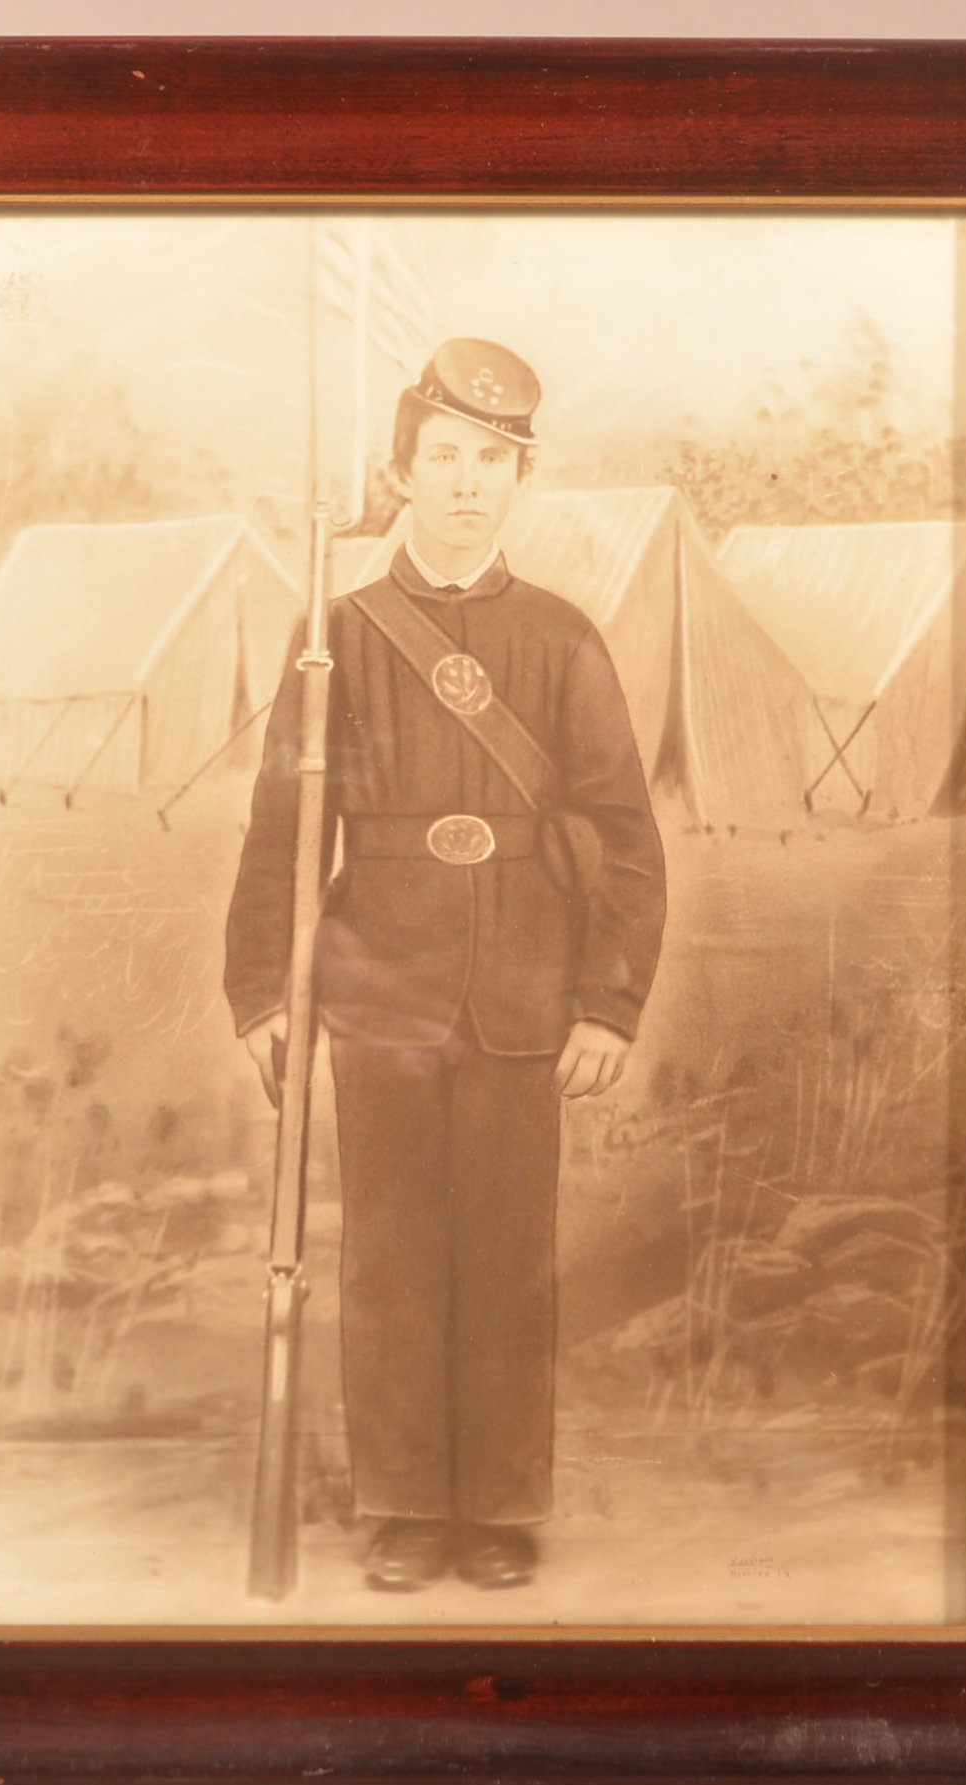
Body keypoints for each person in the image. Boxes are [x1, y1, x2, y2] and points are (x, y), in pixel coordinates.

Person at [225, 338, 665, 1591]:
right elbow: (280, 834)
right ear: (400, 473)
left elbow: (626, 837)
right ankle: (410, 1504)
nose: (468, 483)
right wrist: (266, 988)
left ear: (519, 481)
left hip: (531, 988)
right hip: (379, 990)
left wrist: (610, 1005)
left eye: (493, 461)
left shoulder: (562, 637)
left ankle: (502, 1508)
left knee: (511, 1258)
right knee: (395, 1256)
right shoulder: (339, 638)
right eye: (445, 458)